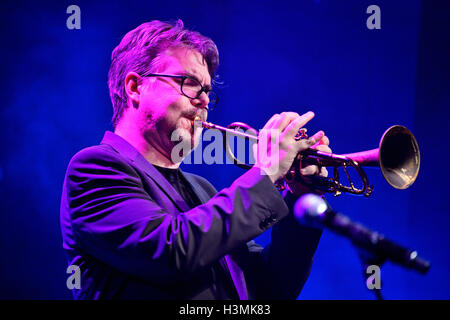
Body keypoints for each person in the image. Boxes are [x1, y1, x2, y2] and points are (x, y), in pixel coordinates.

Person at [60, 19, 332, 300]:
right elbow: (171, 252)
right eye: (188, 83)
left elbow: (269, 292)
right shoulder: (95, 168)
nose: (204, 101)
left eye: (207, 91)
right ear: (135, 87)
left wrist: (300, 196)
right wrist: (266, 173)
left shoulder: (202, 189)